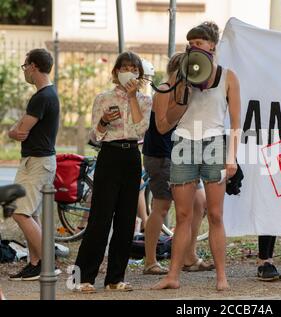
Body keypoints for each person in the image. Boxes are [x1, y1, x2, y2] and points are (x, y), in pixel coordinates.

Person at [152, 21, 241, 291]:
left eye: (199, 43)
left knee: (215, 214)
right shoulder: (181, 76)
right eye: (191, 43)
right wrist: (183, 92)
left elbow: (236, 122)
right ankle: (172, 276)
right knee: (182, 215)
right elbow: (166, 124)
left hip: (213, 142)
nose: (194, 47)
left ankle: (221, 277)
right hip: (184, 143)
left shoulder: (228, 77)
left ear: (212, 46)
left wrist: (232, 156)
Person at [74, 51, 151, 293]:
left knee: (127, 220)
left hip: (131, 156)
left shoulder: (146, 101)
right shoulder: (103, 98)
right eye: (124, 67)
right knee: (100, 218)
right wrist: (104, 121)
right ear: (116, 72)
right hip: (109, 154)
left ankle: (115, 278)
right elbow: (95, 136)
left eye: (134, 68)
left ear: (139, 73)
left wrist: (133, 98)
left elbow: (140, 130)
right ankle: (81, 278)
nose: (129, 71)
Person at [142, 53, 213, 275]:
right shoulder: (163, 89)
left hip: (182, 154)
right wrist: (183, 103)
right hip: (161, 155)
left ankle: (188, 256)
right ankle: (150, 261)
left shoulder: (186, 91)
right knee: (162, 206)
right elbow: (162, 127)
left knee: (199, 203)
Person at [8, 48, 60, 281]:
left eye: (25, 66)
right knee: (31, 214)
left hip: (37, 162)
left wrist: (14, 131)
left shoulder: (42, 97)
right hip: (36, 160)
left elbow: (21, 130)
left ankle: (48, 262)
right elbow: (21, 129)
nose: (25, 71)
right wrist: (16, 131)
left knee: (20, 213)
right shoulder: (46, 94)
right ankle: (35, 263)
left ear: (34, 66)